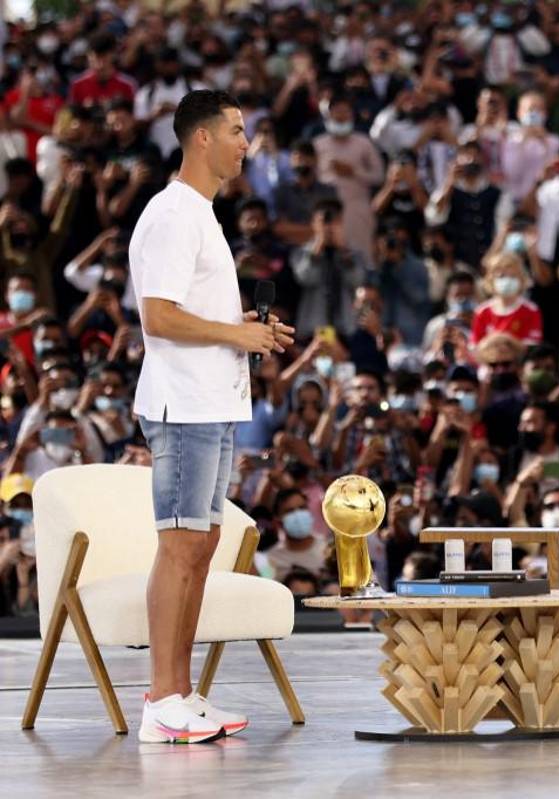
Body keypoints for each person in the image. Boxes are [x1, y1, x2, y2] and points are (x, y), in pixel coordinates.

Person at [128, 90, 294, 744]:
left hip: (213, 404)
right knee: (179, 548)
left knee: (199, 547)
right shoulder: (173, 214)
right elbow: (158, 317)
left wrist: (243, 327)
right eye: (236, 130)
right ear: (201, 137)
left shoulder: (199, 213)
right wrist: (235, 334)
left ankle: (181, 692)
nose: (245, 143)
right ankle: (160, 699)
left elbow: (188, 313)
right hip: (184, 406)